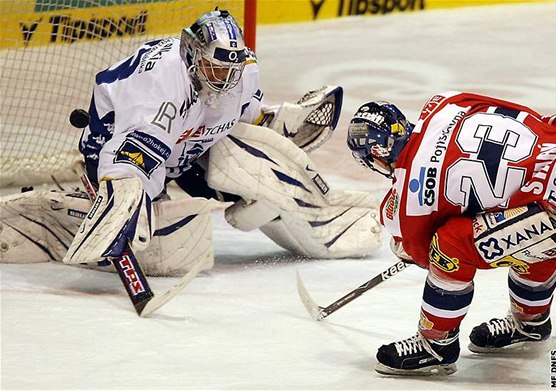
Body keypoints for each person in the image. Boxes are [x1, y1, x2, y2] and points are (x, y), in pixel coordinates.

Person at [0, 10, 382, 275]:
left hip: (187, 152)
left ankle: (327, 223)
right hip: (121, 153)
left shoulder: (240, 76)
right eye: (215, 67)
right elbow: (133, 155)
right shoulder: (163, 84)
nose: (223, 77)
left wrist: (277, 122)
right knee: (180, 249)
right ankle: (57, 220)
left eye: (230, 68)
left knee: (258, 163)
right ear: (192, 54)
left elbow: (243, 118)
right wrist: (126, 198)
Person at [346, 91, 556, 376]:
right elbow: (510, 109)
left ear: (375, 158)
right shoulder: (445, 104)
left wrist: (406, 243)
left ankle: (436, 345)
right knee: (525, 221)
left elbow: (423, 255)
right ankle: (531, 320)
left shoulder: (407, 203)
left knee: (451, 245)